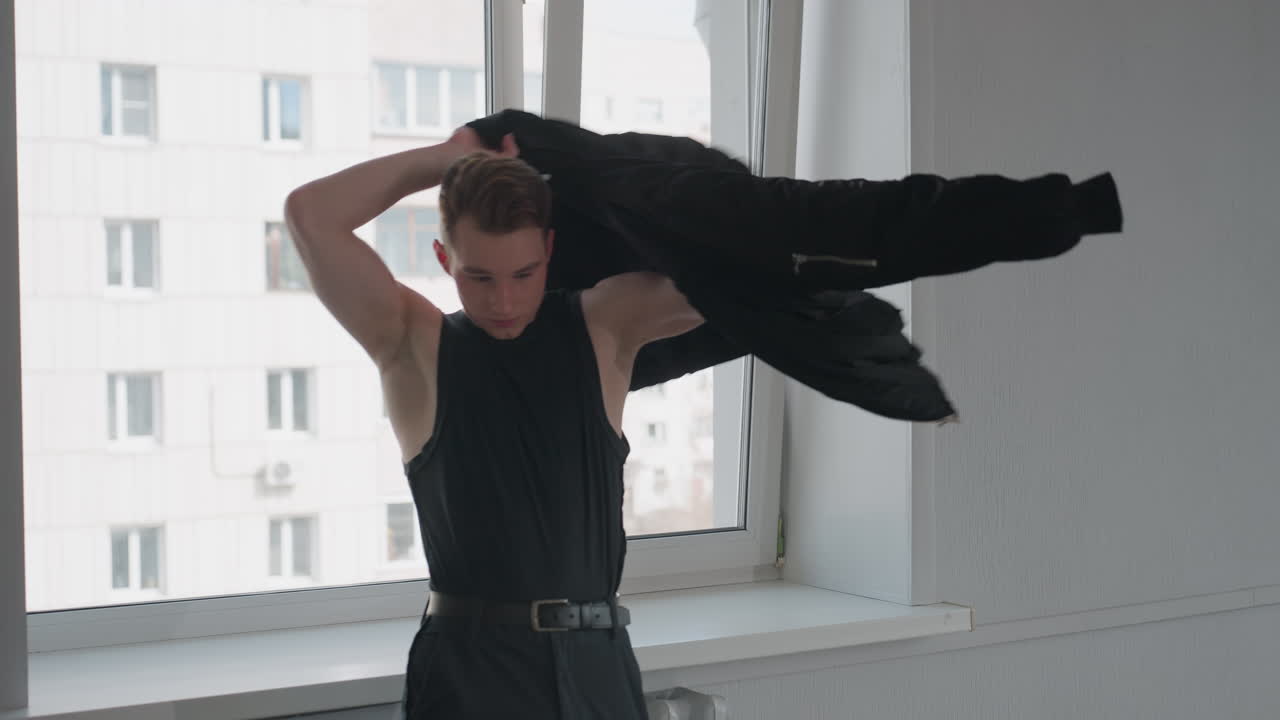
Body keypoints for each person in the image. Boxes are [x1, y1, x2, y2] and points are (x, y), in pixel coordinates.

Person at [284, 126, 702, 718]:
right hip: (470, 674)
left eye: (523, 275)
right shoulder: (413, 344)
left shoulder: (606, 324)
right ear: (442, 257)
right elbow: (310, 213)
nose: (503, 301)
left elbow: (729, 270)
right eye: (478, 276)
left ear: (550, 252)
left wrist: (590, 173)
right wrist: (445, 160)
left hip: (600, 667)